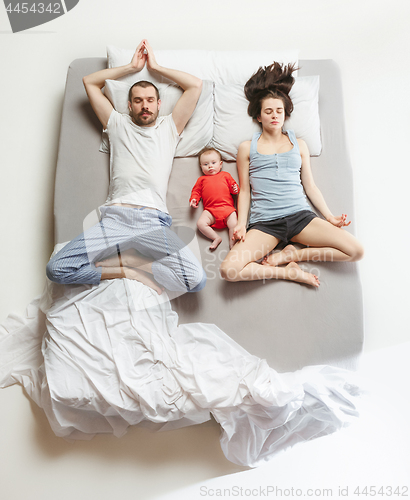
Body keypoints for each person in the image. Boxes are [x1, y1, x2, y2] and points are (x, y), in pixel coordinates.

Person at [46, 40, 206, 295]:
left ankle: (135, 262)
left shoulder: (169, 128)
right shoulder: (117, 124)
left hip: (152, 222)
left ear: (158, 104)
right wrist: (130, 68)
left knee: (196, 280)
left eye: (150, 100)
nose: (145, 105)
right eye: (138, 100)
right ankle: (124, 269)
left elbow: (195, 85)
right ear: (129, 105)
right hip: (115, 220)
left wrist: (155, 67)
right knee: (57, 269)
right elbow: (89, 82)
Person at [220, 62, 363, 287]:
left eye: (279, 111)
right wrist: (240, 223)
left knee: (356, 251)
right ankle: (287, 273)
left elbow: (310, 186)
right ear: (259, 116)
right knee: (228, 270)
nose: (274, 115)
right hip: (264, 224)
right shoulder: (247, 148)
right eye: (268, 111)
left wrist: (329, 216)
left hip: (301, 217)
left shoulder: (301, 145)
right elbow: (245, 191)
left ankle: (292, 255)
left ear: (285, 115)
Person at [189, 148, 239, 250]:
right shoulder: (202, 179)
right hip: (210, 210)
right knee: (200, 224)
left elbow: (234, 189)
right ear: (201, 167)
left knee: (234, 224)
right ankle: (216, 237)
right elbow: (196, 191)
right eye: (206, 164)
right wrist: (194, 199)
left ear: (220, 164)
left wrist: (235, 188)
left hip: (227, 209)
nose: (210, 166)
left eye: (213, 163)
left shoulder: (225, 175)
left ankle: (232, 244)